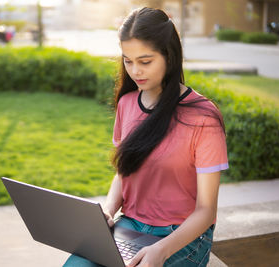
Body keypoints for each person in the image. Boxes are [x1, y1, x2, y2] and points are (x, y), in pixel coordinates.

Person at [63, 7, 228, 267]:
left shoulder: (203, 117)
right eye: (128, 61)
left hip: (182, 236)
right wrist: (107, 211)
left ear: (170, 56)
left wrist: (161, 250)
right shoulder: (127, 104)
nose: (135, 71)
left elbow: (206, 211)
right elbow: (124, 170)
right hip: (131, 226)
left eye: (145, 61)